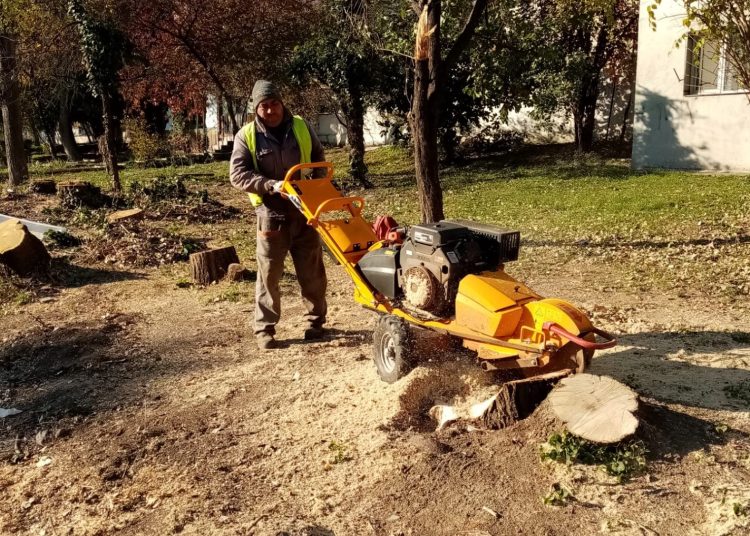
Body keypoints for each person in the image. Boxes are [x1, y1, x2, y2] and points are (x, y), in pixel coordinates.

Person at [229, 80, 327, 350]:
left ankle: (316, 322)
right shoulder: (246, 136)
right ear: (256, 109)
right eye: (264, 106)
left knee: (312, 270)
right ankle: (265, 329)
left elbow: (319, 158)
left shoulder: (302, 127)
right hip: (271, 213)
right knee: (269, 273)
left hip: (305, 210)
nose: (270, 110)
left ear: (282, 103)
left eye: (274, 104)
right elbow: (237, 175)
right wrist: (271, 185)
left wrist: (315, 187)